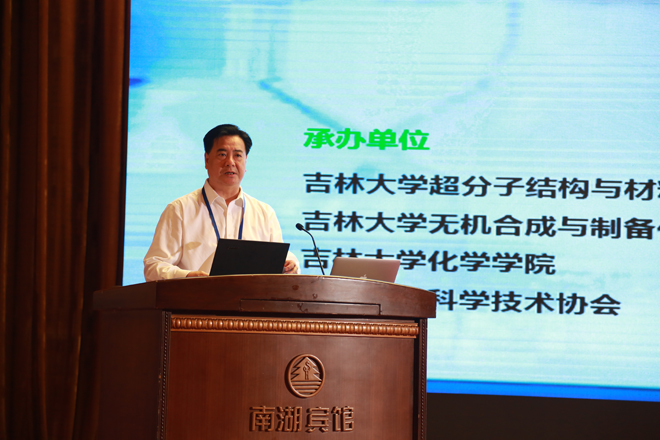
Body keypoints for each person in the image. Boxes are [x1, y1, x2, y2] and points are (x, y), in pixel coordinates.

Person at [143, 124, 299, 281]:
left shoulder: (264, 213)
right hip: (196, 295)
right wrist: (188, 277)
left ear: (245, 161)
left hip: (251, 296)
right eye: (222, 154)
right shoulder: (180, 209)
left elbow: (282, 259)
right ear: (207, 159)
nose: (230, 162)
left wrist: (290, 266)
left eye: (237, 155)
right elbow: (154, 267)